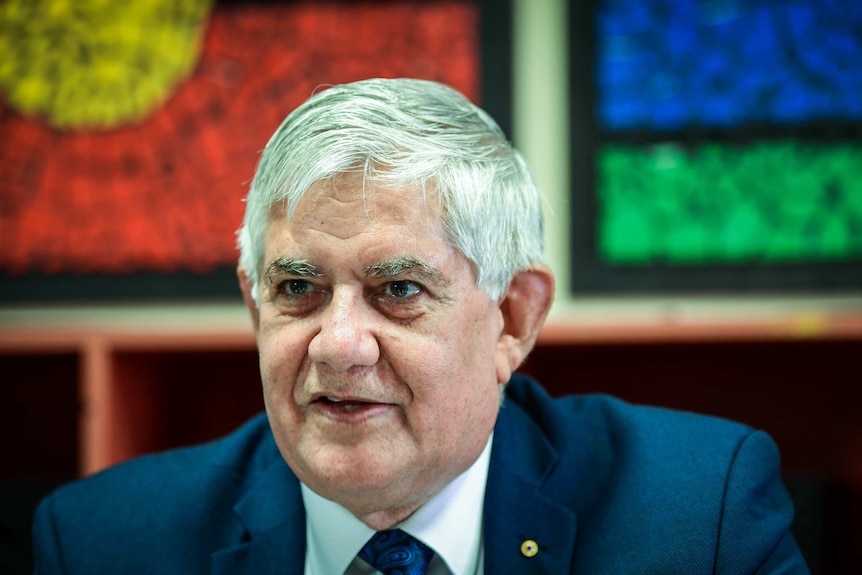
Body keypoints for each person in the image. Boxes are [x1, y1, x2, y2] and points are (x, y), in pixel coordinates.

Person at [32, 78, 809, 574]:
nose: (338, 345)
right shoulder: (103, 542)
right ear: (253, 304)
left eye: (398, 288)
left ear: (512, 317)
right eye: (297, 287)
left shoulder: (698, 515)